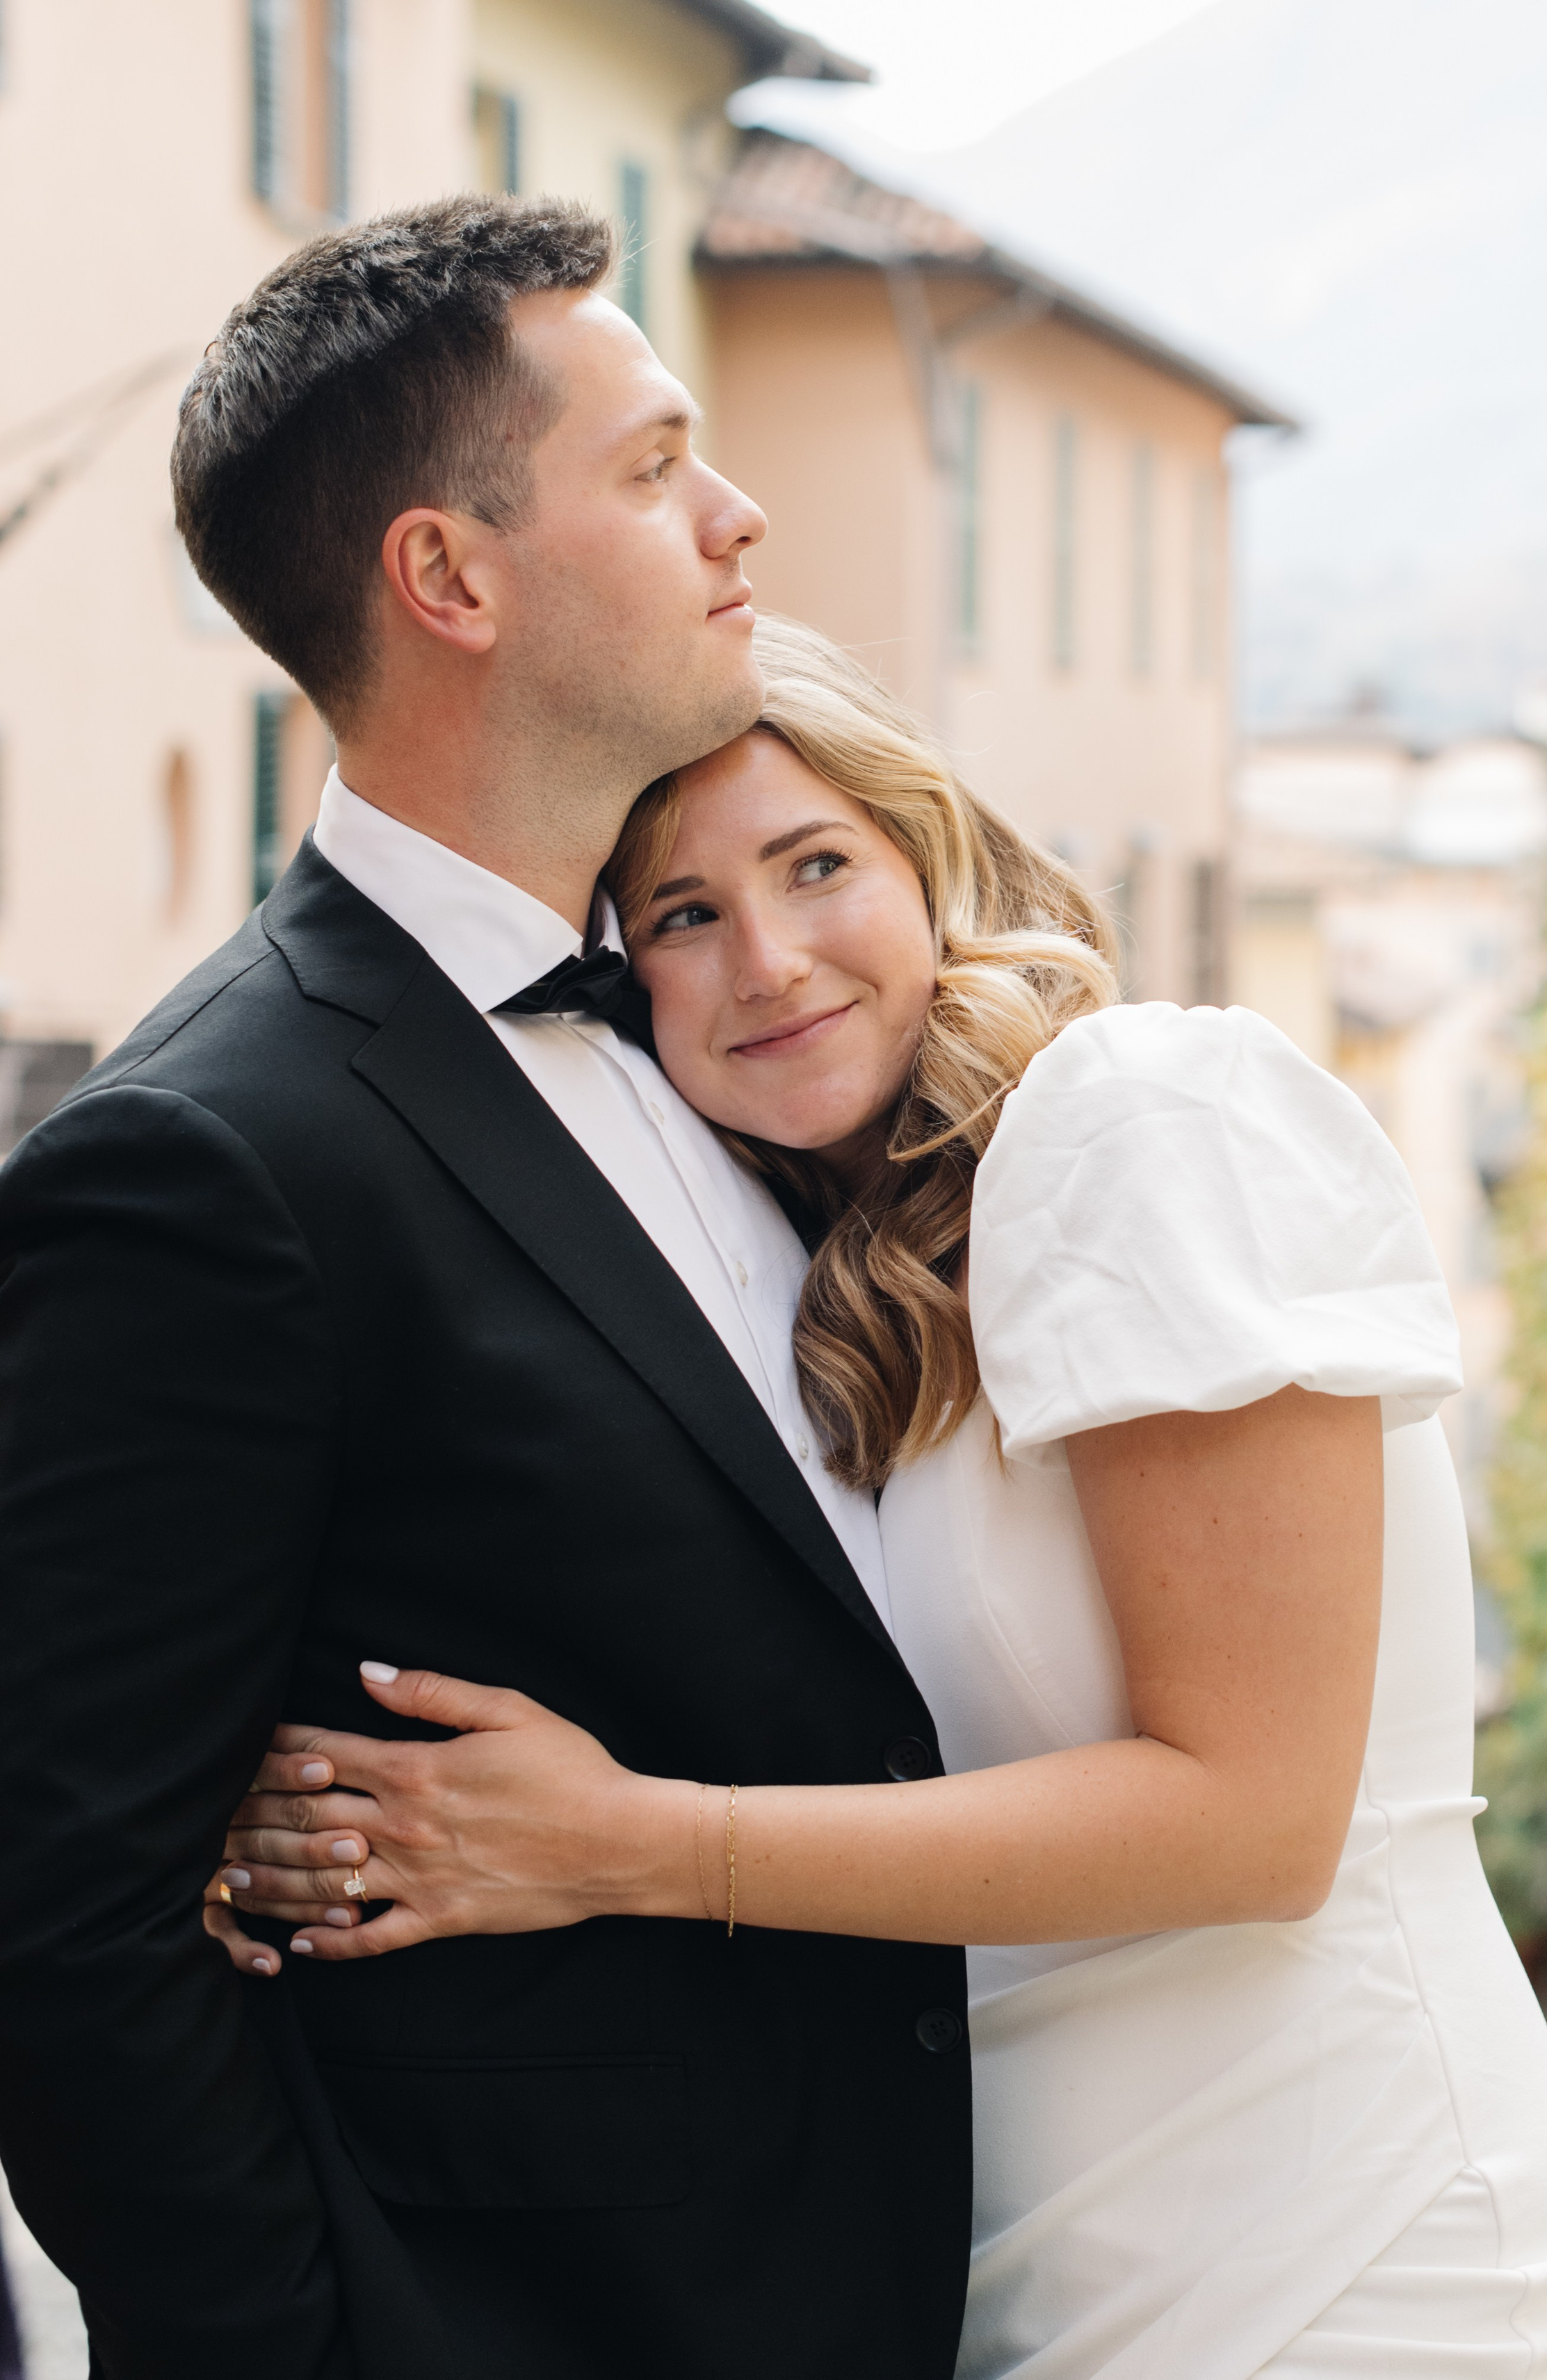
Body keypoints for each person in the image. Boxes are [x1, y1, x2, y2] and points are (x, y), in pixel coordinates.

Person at [217, 618, 1547, 2376]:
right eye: (682, 917)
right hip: (1040, 2264)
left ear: (930, 855)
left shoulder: (1133, 1119)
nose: (769, 960)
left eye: (816, 865)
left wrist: (622, 1842)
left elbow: (1257, 1816)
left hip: (1330, 2231)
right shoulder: (844, 1287)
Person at [0, 206, 971, 2378]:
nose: (736, 517)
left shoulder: (737, 1028)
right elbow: (63, 1926)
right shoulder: (202, 1161)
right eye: (651, 468)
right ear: (452, 579)